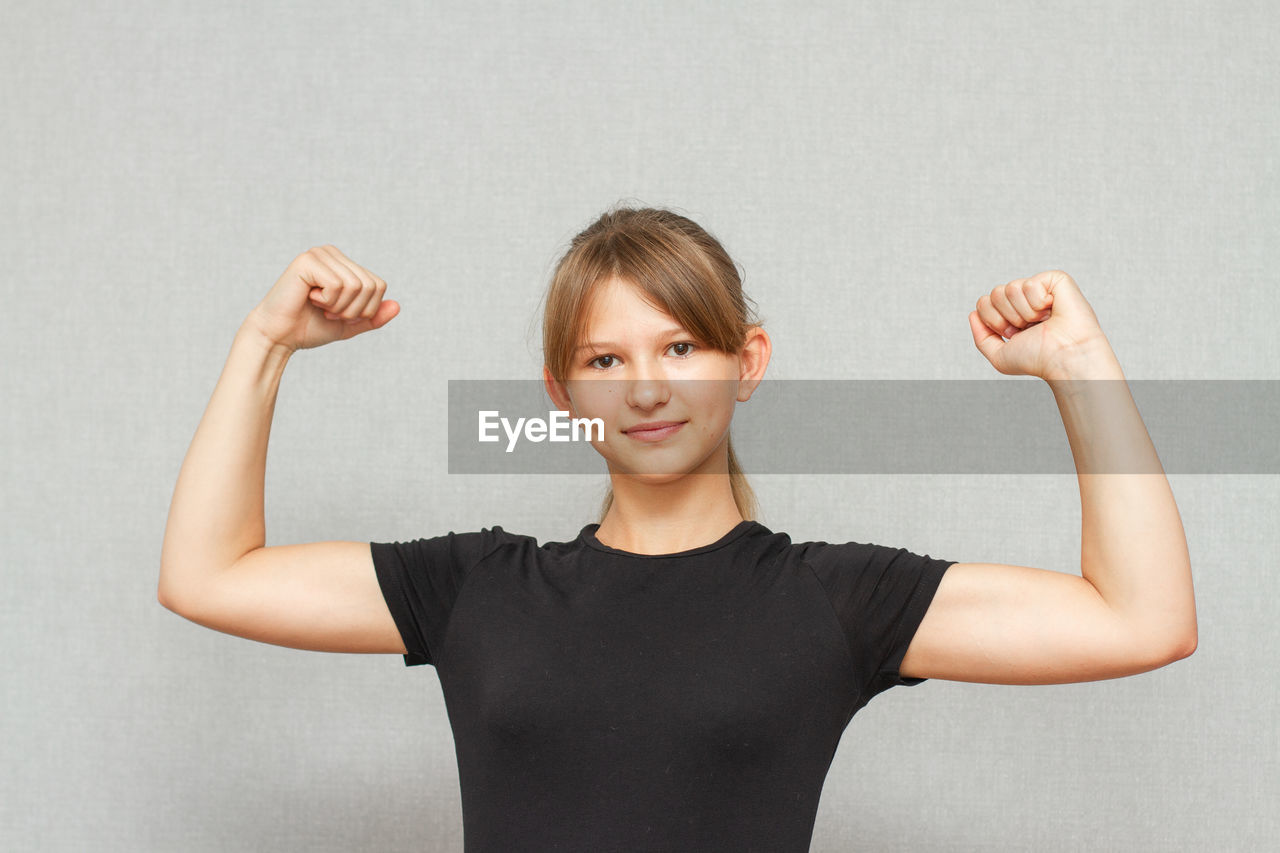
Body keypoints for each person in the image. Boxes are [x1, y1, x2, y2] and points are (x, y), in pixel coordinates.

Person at [158, 205, 1197, 852]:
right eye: (605, 360)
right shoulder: (475, 588)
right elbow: (207, 573)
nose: (646, 387)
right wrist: (266, 343)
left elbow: (1137, 619)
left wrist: (1078, 367)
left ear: (746, 363)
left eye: (682, 345)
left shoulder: (835, 602)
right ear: (561, 391)